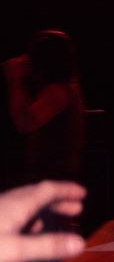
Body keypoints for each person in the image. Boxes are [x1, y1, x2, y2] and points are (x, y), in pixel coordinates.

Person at [4, 30, 86, 184]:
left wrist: (14, 79)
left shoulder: (59, 91)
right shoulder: (61, 90)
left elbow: (24, 123)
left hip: (52, 184)